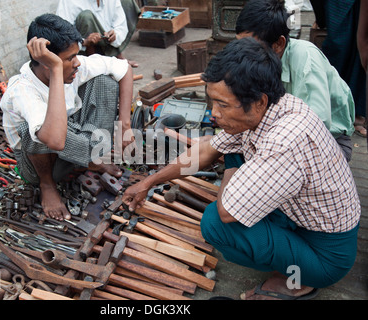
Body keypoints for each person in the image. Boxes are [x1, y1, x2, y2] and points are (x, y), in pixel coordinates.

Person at [122, 37, 361, 300]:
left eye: (222, 104)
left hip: (325, 256)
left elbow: (226, 213)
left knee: (215, 224)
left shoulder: (284, 140)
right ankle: (289, 258)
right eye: (212, 102)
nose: (213, 113)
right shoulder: (272, 107)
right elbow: (205, 151)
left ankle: (298, 278)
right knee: (230, 152)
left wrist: (231, 171)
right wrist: (148, 182)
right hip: (301, 219)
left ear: (259, 101)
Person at [0, 13, 134, 221]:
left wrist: (125, 126)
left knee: (104, 82)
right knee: (34, 127)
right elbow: (55, 139)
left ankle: (92, 158)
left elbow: (124, 69)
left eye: (76, 55)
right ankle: (48, 186)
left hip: (69, 146)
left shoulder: (73, 67)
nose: (77, 63)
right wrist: (55, 70)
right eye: (70, 58)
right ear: (46, 62)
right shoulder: (22, 91)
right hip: (40, 166)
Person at [235, 0, 356, 161]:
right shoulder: (260, 60)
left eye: (251, 47)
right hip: (282, 134)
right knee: (232, 146)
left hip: (330, 143)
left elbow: (317, 125)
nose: (243, 54)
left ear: (279, 44)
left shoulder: (306, 58)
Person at [312, 0, 366, 138]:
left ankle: (357, 114)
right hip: (336, 5)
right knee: (338, 48)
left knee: (358, 53)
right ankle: (331, 109)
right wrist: (321, 18)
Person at [56, 0, 141, 67]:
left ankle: (116, 56)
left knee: (127, 2)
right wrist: (84, 42)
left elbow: (120, 24)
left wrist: (115, 35)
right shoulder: (68, 2)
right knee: (86, 16)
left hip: (105, 41)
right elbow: (62, 34)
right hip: (83, 48)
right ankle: (93, 63)